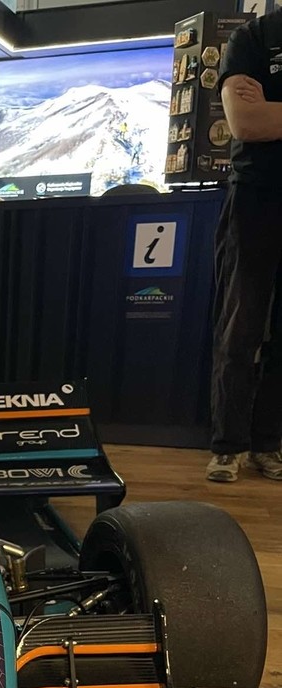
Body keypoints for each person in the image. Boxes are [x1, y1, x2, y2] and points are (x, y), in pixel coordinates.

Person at [207, 10, 282, 482]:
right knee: (240, 328)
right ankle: (227, 447)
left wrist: (274, 109)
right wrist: (260, 114)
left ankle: (267, 445)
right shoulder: (253, 37)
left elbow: (265, 115)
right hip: (255, 199)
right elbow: (246, 121)